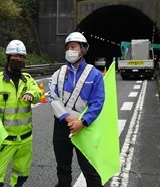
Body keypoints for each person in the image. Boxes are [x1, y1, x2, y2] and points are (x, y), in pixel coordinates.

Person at [47, 32, 105, 187]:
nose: (69, 51)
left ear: (83, 49)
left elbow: (97, 102)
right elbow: (52, 98)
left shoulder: (95, 75)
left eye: (73, 47)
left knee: (90, 168)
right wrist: (67, 117)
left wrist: (83, 122)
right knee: (63, 167)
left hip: (83, 127)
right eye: (67, 48)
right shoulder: (58, 74)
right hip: (61, 125)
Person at [0, 39, 42, 187]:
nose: (18, 59)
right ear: (8, 57)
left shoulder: (28, 80)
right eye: (15, 56)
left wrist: (31, 93)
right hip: (5, 139)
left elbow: (37, 93)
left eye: (21, 57)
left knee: (21, 175)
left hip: (25, 139)